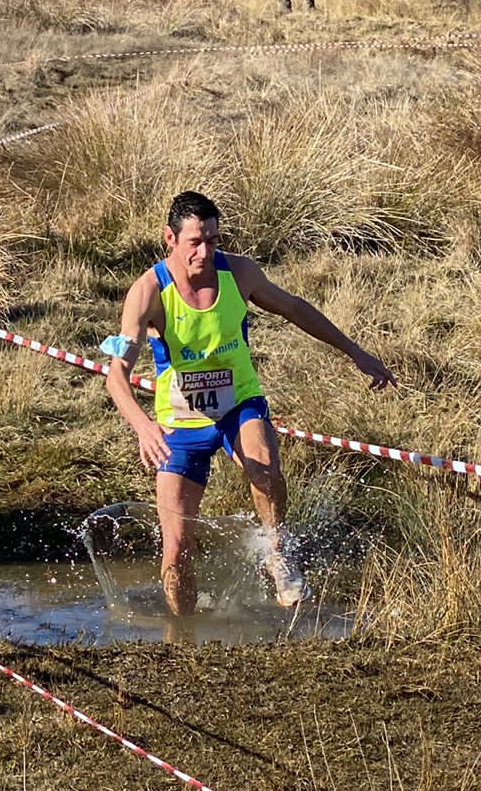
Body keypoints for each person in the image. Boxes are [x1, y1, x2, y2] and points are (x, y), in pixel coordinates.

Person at [103, 191, 395, 616]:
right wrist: (142, 426)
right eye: (194, 242)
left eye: (212, 240)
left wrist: (355, 352)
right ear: (170, 238)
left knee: (263, 463)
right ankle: (182, 637)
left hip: (238, 401)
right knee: (177, 547)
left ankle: (276, 551)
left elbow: (295, 309)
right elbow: (116, 375)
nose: (204, 251)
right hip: (179, 422)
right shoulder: (148, 291)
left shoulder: (238, 273)